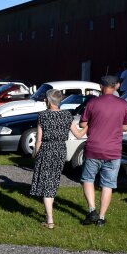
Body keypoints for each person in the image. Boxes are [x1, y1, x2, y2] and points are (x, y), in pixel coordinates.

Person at [79, 75, 127, 227]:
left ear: (101, 86)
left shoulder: (93, 102)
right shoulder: (123, 104)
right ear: (116, 86)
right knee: (108, 184)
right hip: (113, 151)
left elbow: (83, 123)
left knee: (88, 179)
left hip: (94, 148)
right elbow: (126, 127)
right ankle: (101, 217)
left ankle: (92, 209)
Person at [30, 89, 87, 228]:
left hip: (47, 149)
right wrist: (89, 125)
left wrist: (35, 153)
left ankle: (50, 219)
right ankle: (48, 212)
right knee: (53, 181)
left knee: (47, 184)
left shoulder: (43, 116)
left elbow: (39, 139)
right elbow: (79, 135)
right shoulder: (67, 115)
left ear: (48, 101)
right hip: (61, 150)